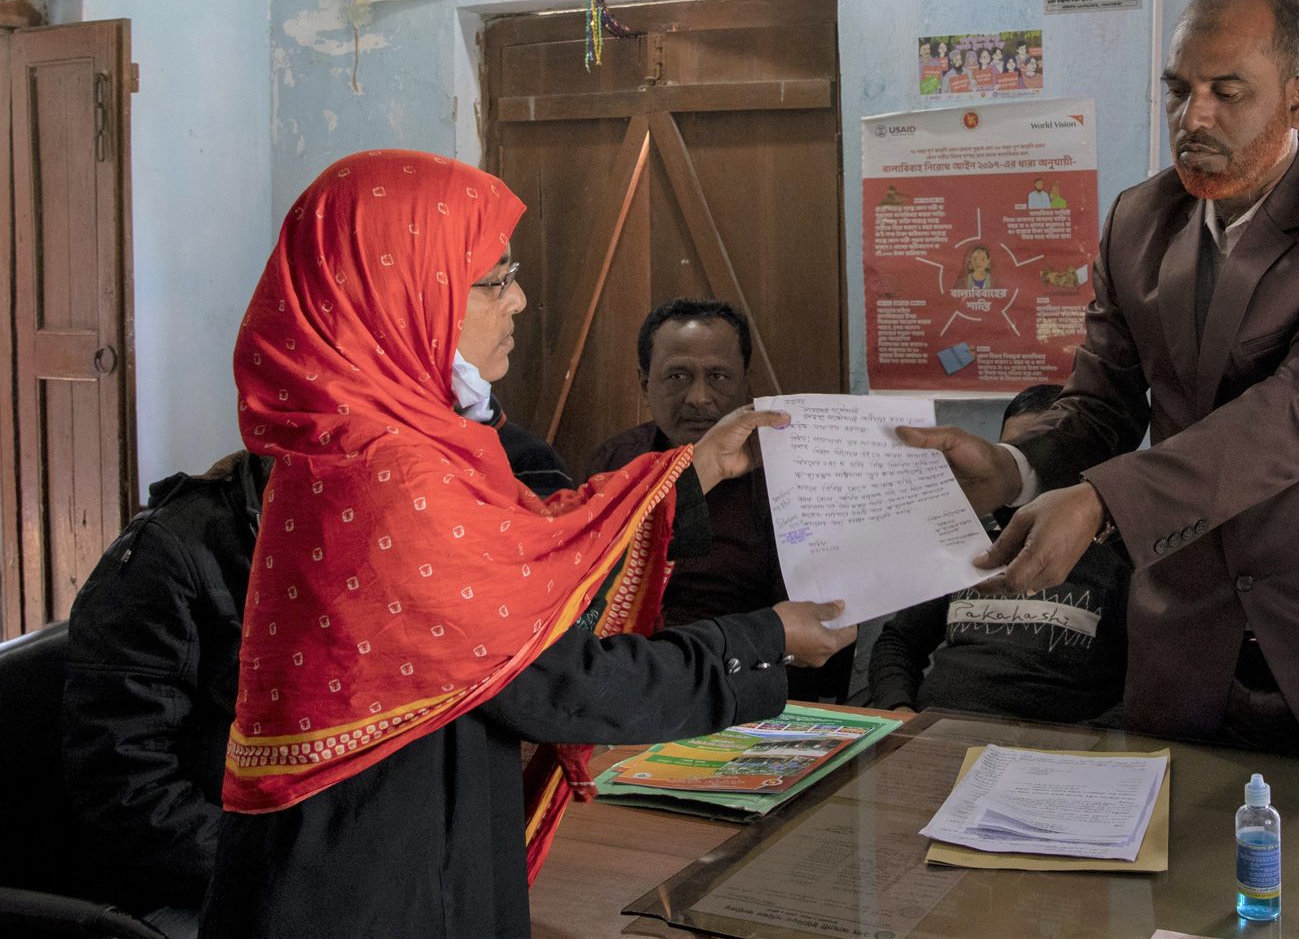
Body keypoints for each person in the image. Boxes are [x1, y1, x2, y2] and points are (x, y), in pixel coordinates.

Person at [199, 151, 854, 938]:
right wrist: (765, 638)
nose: (520, 301)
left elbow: (529, 557)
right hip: (373, 881)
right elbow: (551, 679)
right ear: (405, 290)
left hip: (382, 844)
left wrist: (697, 468)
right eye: (493, 280)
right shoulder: (390, 473)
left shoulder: (366, 444)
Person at [902, 0, 1299, 761]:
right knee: (1180, 882)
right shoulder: (1138, 220)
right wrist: (1008, 469)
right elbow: (1098, 408)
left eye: (1227, 92)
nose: (1194, 117)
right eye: (1179, 90)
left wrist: (1102, 500)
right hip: (1187, 655)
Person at [62, 272, 579, 937]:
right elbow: (126, 788)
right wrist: (303, 875)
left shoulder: (401, 534)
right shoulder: (176, 552)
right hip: (223, 893)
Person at [582, 298, 856, 702]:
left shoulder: (787, 473)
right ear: (644, 384)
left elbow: (815, 627)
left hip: (746, 687)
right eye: (677, 375)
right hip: (621, 685)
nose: (698, 396)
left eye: (718, 376)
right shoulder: (616, 464)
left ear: (745, 382)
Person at [867, 385, 1128, 724]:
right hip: (935, 736)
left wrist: (1078, 748)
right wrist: (897, 712)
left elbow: (1155, 687)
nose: (1038, 478)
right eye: (1022, 455)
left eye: (1050, 460)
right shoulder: (971, 545)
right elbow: (899, 642)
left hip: (1053, 754)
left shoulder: (1125, 559)